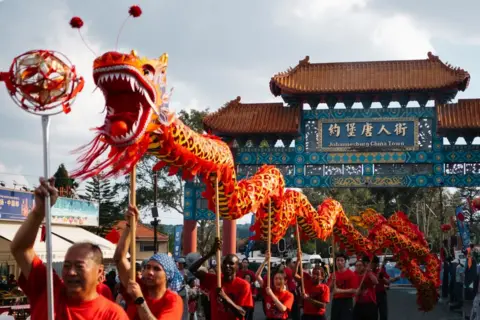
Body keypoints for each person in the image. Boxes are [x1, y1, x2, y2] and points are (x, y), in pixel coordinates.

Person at [10, 177, 128, 319]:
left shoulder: (113, 315)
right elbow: (21, 249)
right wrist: (39, 212)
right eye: (66, 266)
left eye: (79, 266)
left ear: (100, 272)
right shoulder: (48, 289)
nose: (71, 272)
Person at [114, 205, 183, 319]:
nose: (149, 272)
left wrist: (140, 300)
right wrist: (131, 226)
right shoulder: (138, 287)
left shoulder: (173, 300)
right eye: (147, 267)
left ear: (168, 275)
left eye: (156, 269)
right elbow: (119, 258)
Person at [189, 238, 253, 320]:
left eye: (231, 263)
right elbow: (192, 270)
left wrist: (225, 298)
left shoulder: (244, 285)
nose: (227, 265)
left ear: (237, 267)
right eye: (225, 263)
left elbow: (242, 313)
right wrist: (210, 253)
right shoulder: (214, 279)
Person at [255, 251, 294, 319]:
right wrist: (265, 260)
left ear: (285, 281)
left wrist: (271, 295)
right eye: (276, 279)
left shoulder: (289, 295)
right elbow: (257, 275)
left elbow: (283, 309)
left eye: (280, 279)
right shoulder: (268, 289)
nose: (278, 281)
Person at [328, 252, 358, 320]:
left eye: (342, 260)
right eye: (338, 260)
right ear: (335, 262)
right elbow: (329, 289)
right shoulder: (333, 274)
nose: (339, 262)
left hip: (347, 301)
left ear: (345, 262)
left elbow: (354, 290)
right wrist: (332, 281)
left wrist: (340, 291)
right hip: (336, 301)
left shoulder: (351, 274)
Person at [371, 256, 400, 320]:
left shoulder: (381, 271)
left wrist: (397, 278)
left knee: (383, 315)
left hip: (381, 294)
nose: (370, 265)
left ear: (376, 263)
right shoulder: (367, 272)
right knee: (372, 315)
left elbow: (388, 281)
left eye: (372, 263)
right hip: (371, 296)